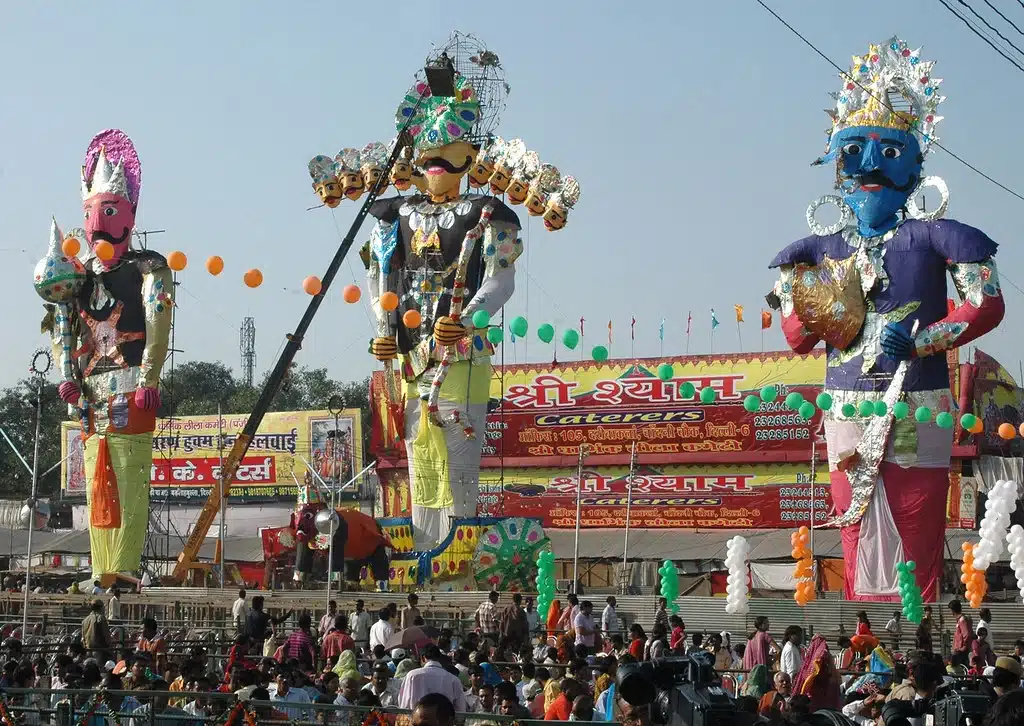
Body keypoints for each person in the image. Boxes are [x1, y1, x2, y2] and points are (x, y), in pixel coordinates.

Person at [398, 644, 466, 711]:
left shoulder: (412, 675)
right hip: (443, 720)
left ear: (423, 658)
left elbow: (404, 704)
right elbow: (460, 709)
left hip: (416, 719)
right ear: (439, 658)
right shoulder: (453, 679)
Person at [950, 599, 974, 668]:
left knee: (960, 668)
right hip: (961, 650)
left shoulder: (962, 620)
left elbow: (967, 635)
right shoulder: (961, 619)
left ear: (953, 610)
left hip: (961, 651)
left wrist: (963, 647)